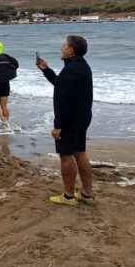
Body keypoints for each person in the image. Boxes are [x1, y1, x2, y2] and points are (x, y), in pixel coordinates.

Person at [37, 35, 94, 207]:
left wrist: (58, 126)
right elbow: (61, 84)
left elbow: (63, 101)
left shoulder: (72, 69)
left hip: (70, 120)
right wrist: (46, 70)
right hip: (81, 117)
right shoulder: (80, 66)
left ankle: (68, 196)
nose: (61, 47)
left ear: (71, 50)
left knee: (66, 156)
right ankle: (86, 194)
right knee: (79, 152)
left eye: (64, 45)